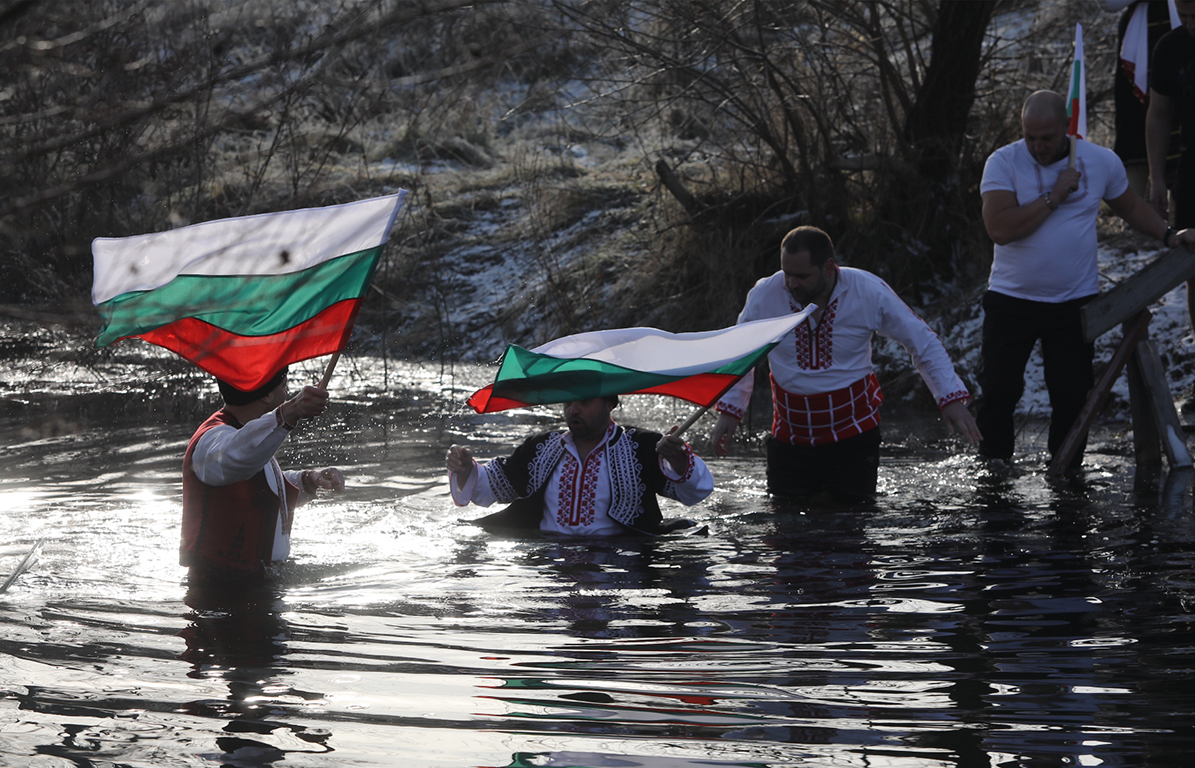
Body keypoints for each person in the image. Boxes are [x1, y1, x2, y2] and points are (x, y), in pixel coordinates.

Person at [980, 90, 1195, 469]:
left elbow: (1130, 207)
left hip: (1073, 302)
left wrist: (1168, 235)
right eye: (1029, 136)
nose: (1037, 146)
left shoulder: (1099, 161)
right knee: (999, 390)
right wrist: (1053, 196)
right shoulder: (1003, 162)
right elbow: (1000, 228)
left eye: (1046, 138)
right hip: (1011, 300)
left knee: (1071, 394)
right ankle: (993, 473)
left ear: (1067, 127)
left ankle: (1066, 474)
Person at [709, 225, 980, 503]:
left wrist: (949, 397)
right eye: (786, 274)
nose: (791, 284)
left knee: (851, 531)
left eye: (801, 276)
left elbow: (922, 341)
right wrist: (730, 411)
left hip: (854, 438)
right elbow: (742, 351)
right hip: (790, 439)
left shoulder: (867, 291)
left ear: (828, 267)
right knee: (786, 531)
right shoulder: (765, 295)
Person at [446, 396, 713, 535]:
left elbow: (696, 493)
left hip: (623, 567)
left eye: (584, 402)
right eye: (568, 403)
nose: (573, 410)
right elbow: (490, 487)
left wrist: (678, 459)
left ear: (609, 404)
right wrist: (467, 469)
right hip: (549, 567)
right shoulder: (540, 448)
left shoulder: (642, 447)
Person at [181, 366, 345, 582]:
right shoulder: (213, 439)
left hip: (255, 587)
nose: (287, 395)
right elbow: (235, 458)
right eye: (284, 387)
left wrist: (309, 480)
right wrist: (288, 413)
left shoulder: (250, 437)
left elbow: (259, 485)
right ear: (267, 395)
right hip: (220, 595)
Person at [1147, 0, 1195, 410]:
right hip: (1192, 172)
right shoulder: (1170, 48)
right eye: (1186, 12)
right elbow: (1159, 114)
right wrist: (1156, 177)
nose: (1192, 19)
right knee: (1194, 266)